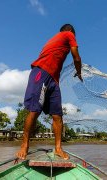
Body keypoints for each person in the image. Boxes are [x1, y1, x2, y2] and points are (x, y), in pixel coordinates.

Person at [16, 24, 83, 160]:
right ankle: (24, 145)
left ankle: (58, 148)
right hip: (41, 71)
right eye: (74, 35)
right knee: (34, 111)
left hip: (54, 80)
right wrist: (79, 72)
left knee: (57, 116)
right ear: (71, 32)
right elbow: (76, 57)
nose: (74, 38)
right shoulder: (68, 34)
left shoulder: (57, 39)